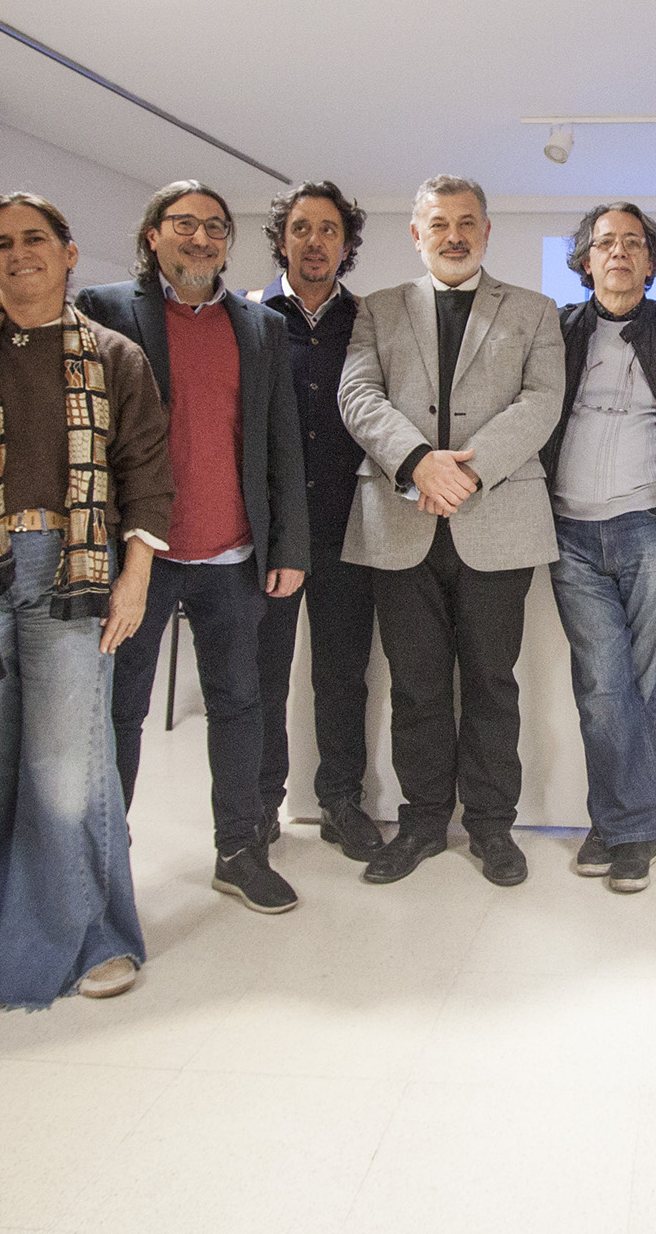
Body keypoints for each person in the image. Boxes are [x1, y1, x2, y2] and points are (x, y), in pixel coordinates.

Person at [0, 192, 173, 1009]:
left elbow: (146, 471)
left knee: (67, 768)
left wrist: (134, 577)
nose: (20, 253)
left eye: (36, 238)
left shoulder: (116, 355)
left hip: (74, 569)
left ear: (69, 252)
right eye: (1, 243)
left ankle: (88, 942)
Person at [79, 181, 309, 913]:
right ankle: (103, 863)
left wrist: (288, 546)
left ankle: (239, 850)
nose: (202, 238)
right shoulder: (103, 310)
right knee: (119, 710)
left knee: (240, 705)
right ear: (153, 234)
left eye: (215, 226)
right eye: (185, 224)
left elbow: (280, 442)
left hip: (233, 556)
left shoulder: (260, 326)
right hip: (138, 560)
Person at [337, 175, 565, 886]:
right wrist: (417, 463)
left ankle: (492, 827)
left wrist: (466, 472)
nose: (454, 235)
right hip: (399, 520)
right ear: (417, 234)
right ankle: (424, 822)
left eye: (467, 222)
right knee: (416, 685)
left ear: (487, 231)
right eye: (439, 223)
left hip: (497, 522)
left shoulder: (534, 310)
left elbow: (542, 401)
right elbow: (358, 394)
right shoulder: (378, 309)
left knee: (493, 683)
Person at [541, 202, 656, 894]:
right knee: (604, 687)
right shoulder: (554, 331)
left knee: (646, 683)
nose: (618, 252)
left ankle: (618, 829)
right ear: (585, 260)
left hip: (655, 525)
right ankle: (630, 826)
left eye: (633, 242)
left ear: (650, 260)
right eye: (605, 242)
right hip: (570, 532)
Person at [248, 181, 385, 862]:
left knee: (342, 676)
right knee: (263, 677)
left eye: (329, 229)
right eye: (301, 227)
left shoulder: (368, 322)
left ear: (346, 244)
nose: (314, 241)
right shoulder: (247, 316)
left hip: (345, 530)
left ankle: (340, 802)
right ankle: (258, 806)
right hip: (268, 536)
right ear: (282, 239)